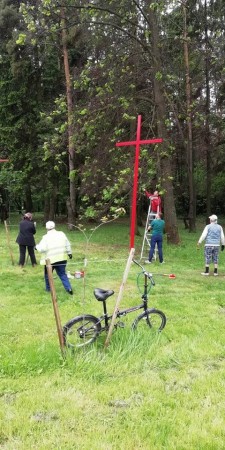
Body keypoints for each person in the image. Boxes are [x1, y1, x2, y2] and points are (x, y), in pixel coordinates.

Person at [36, 221, 73, 294]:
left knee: (48, 275)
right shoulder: (61, 234)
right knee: (62, 274)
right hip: (61, 258)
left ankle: (48, 289)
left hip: (50, 260)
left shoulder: (45, 237)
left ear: (46, 228)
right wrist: (69, 253)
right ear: (54, 226)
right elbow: (67, 244)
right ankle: (69, 289)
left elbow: (42, 248)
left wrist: (36, 247)